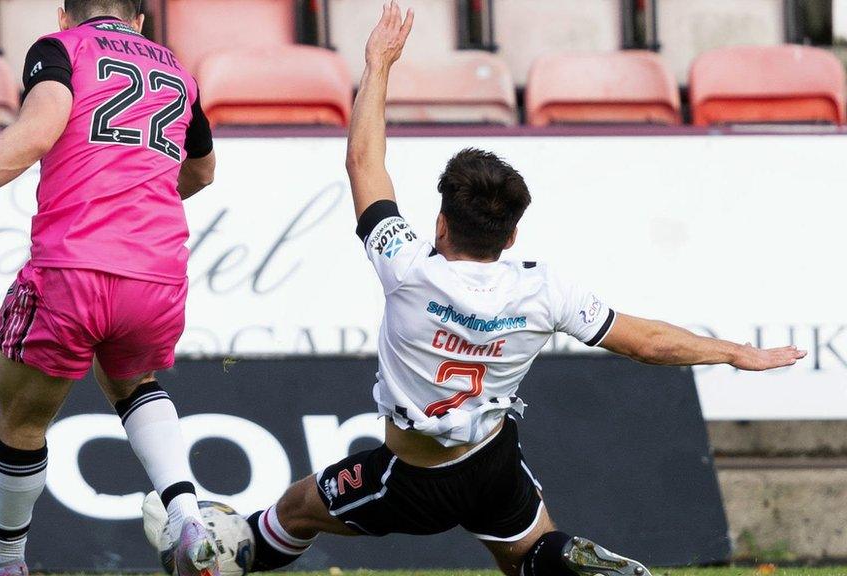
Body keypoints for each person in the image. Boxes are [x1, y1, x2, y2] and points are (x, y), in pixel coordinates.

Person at [237, 4, 807, 576]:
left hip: (414, 475)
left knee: (295, 509)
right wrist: (735, 352)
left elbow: (363, 161)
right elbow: (647, 341)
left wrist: (378, 64)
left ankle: (211, 564)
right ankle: (567, 562)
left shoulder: (408, 268)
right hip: (491, 461)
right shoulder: (542, 290)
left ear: (439, 225)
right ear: (511, 237)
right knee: (530, 557)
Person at [0, 1, 220, 575]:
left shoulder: (62, 50)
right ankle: (187, 516)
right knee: (133, 380)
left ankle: (4, 555)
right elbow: (203, 171)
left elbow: (37, 131)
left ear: (66, 16)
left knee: (22, 416)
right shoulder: (179, 72)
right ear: (140, 21)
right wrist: (137, 191)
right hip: (158, 272)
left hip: (73, 266)